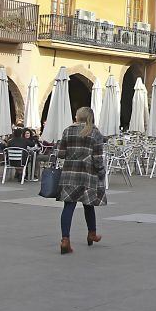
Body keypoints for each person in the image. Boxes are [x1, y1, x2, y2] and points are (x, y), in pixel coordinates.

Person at [55, 107, 106, 254]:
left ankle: (65, 239)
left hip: (70, 173)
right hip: (87, 174)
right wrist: (101, 171)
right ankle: (92, 233)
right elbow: (97, 158)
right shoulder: (95, 133)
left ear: (77, 116)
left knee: (68, 207)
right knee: (88, 204)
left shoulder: (67, 130)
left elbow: (61, 154)